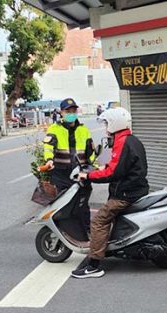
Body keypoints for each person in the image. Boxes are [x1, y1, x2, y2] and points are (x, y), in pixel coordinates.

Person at [72, 107, 149, 279]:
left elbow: (113, 173)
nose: (106, 127)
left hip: (125, 193)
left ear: (115, 123)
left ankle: (93, 266)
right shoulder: (131, 139)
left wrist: (89, 175)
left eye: (107, 123)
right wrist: (102, 168)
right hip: (134, 189)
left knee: (99, 221)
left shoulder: (122, 142)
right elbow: (118, 166)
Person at [43, 98, 96, 243]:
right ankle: (65, 233)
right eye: (68, 111)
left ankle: (86, 232)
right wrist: (49, 160)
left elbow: (90, 151)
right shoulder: (54, 129)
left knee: (83, 205)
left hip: (81, 175)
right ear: (61, 112)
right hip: (62, 174)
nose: (71, 113)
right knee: (64, 205)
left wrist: (93, 167)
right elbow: (48, 147)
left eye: (73, 110)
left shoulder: (83, 129)